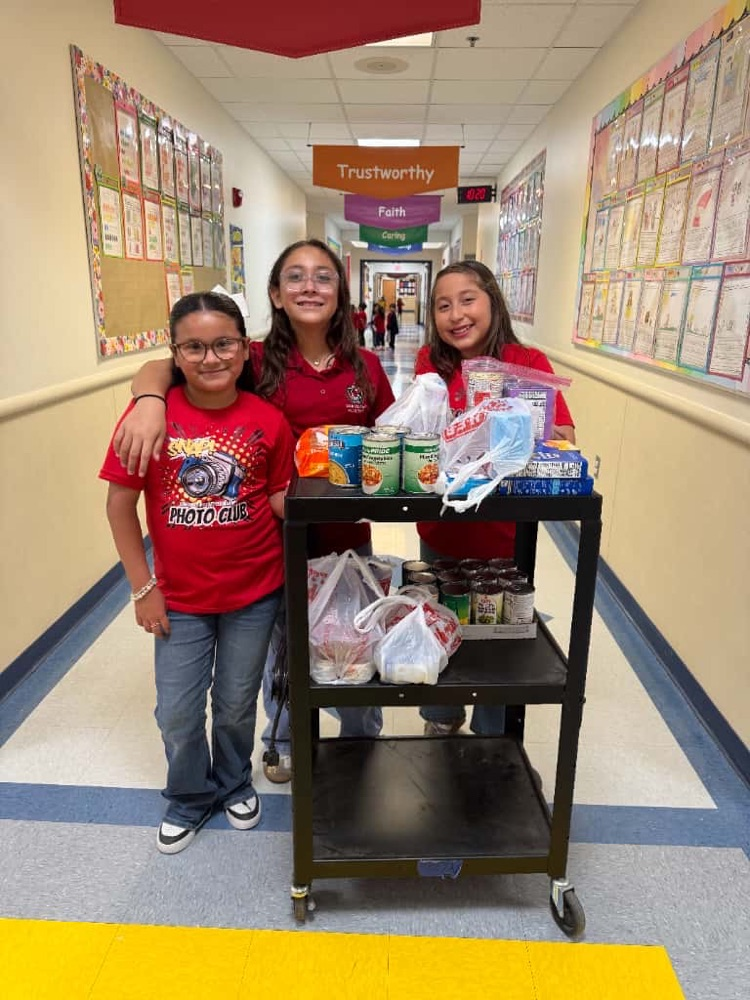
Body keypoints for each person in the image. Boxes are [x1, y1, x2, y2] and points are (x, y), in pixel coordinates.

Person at [113, 239, 395, 784]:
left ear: (341, 292)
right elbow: (163, 367)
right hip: (273, 537)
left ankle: (362, 736)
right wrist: (148, 402)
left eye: (323, 277)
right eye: (295, 277)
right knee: (283, 647)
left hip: (345, 536)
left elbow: (388, 437)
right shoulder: (254, 359)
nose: (309, 286)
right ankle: (284, 739)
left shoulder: (364, 366)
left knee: (357, 639)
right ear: (276, 293)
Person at [99, 292, 295, 854]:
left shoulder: (267, 421)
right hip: (179, 598)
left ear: (244, 347)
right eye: (194, 346)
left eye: (223, 344)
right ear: (176, 353)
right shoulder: (149, 418)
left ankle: (233, 781)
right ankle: (189, 795)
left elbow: (278, 496)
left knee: (235, 702)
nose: (211, 358)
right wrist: (144, 589)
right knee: (178, 710)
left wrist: (332, 495)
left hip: (255, 592)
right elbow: (119, 507)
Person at [415, 261, 575, 737]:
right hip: (442, 528)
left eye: (468, 300)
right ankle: (441, 718)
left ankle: (493, 733)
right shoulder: (432, 362)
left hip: (506, 535)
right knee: (441, 619)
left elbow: (563, 433)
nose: (456, 315)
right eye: (443, 305)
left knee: (499, 636)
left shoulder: (527, 363)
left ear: (492, 301)